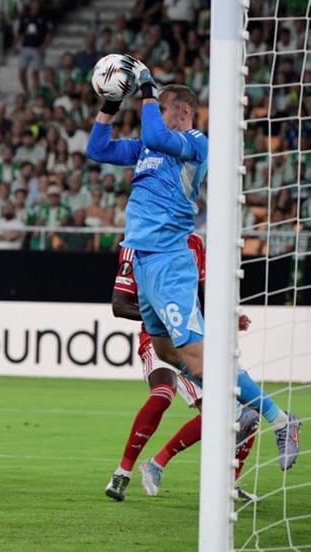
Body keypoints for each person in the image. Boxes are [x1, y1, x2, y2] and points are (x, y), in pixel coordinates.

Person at [88, 65, 300, 492]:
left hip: (169, 261)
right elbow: (98, 149)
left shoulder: (195, 143)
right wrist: (110, 105)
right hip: (144, 263)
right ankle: (234, 400)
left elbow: (154, 135)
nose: (153, 112)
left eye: (160, 107)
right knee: (167, 351)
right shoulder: (151, 150)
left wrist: (146, 86)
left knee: (199, 358)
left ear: (182, 110)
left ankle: (280, 418)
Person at [106, 235, 261, 501]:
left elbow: (203, 297)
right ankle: (122, 474)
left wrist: (229, 318)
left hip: (194, 339)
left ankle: (223, 484)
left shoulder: (195, 243)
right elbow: (119, 306)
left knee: (243, 413)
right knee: (163, 392)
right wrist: (163, 316)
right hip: (158, 338)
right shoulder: (134, 246)